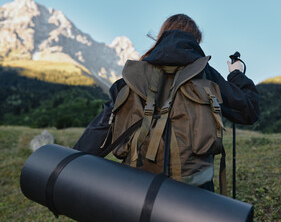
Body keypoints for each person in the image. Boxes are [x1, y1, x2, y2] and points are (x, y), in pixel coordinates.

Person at [74, 14, 260, 192]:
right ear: (195, 41)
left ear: (161, 36)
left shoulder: (132, 77)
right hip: (195, 193)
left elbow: (98, 132)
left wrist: (67, 165)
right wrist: (237, 73)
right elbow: (249, 110)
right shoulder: (205, 74)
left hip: (136, 190)